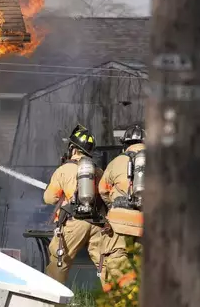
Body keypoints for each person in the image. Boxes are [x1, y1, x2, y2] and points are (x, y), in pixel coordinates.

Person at [43, 125, 129, 288]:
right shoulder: (98, 171)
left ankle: (52, 301)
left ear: (73, 150)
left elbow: (49, 198)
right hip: (97, 223)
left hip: (74, 222)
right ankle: (117, 300)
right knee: (105, 262)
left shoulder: (64, 169)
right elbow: (106, 194)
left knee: (59, 262)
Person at [97, 124, 146, 291]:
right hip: (147, 221)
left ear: (125, 144)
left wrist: (112, 206)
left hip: (119, 221)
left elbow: (102, 190)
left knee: (116, 258)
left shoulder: (117, 161)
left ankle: (130, 293)